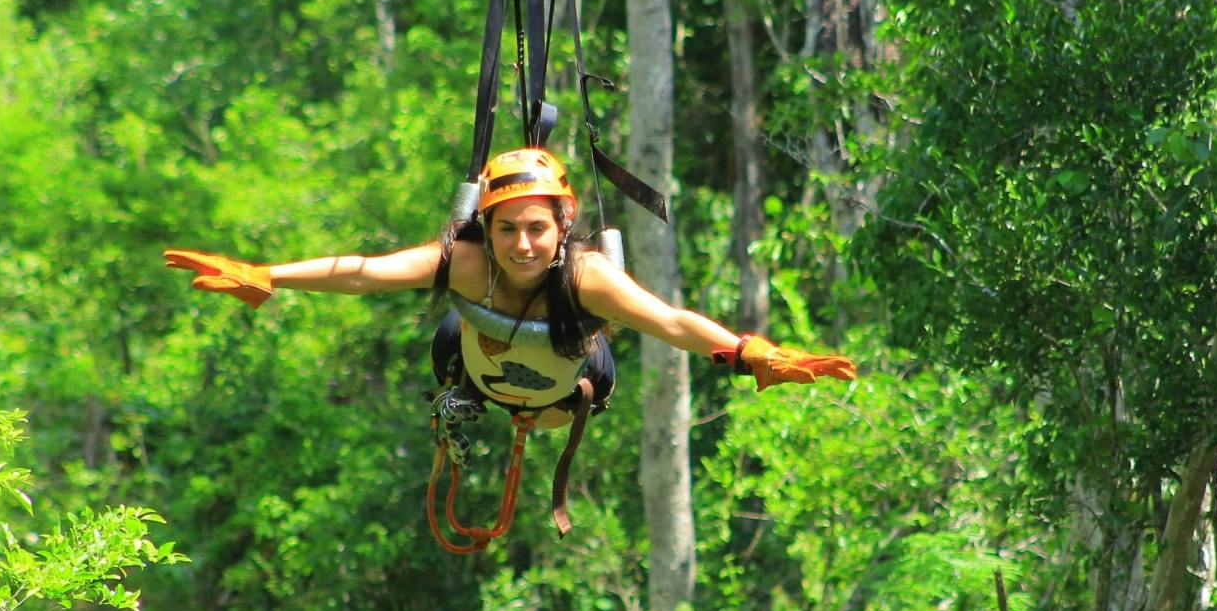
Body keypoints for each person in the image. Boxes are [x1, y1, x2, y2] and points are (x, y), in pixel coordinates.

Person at [162, 147, 856, 425]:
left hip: (569, 387)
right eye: (506, 230)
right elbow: (366, 272)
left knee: (571, 378)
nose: (522, 245)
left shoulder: (588, 277)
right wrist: (268, 277)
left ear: (564, 225)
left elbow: (670, 322)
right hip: (478, 371)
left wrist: (749, 353)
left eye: (536, 229)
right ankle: (468, 402)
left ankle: (516, 405)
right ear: (484, 229)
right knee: (449, 335)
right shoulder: (465, 263)